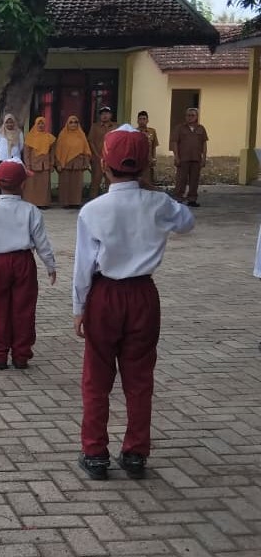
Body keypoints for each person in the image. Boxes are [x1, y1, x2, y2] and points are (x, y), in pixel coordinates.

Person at [72, 125, 195, 481]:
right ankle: (136, 452)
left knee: (97, 378)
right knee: (140, 377)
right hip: (143, 295)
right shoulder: (159, 204)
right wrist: (153, 191)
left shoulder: (93, 210)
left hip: (104, 294)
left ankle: (95, 452)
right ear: (145, 166)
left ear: (103, 163)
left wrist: (79, 309)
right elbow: (187, 222)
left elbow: (83, 267)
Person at [0, 160, 57, 371]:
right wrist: (50, 266)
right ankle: (21, 354)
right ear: (23, 184)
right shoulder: (31, 211)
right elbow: (42, 243)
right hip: (23, 262)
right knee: (24, 309)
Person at [170, 107, 208, 207]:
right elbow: (174, 142)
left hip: (196, 158)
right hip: (183, 158)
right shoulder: (179, 128)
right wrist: (176, 156)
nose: (190, 117)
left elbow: (204, 143)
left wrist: (204, 158)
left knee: (194, 180)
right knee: (181, 179)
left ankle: (192, 199)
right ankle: (178, 198)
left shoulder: (201, 128)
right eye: (188, 115)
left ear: (196, 117)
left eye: (192, 115)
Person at [55, 116, 92, 209]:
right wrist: (58, 163)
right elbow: (58, 151)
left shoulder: (81, 135)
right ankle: (65, 202)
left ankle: (76, 202)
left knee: (77, 183)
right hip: (65, 163)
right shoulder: (62, 135)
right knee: (65, 183)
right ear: (67, 124)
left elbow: (86, 150)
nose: (73, 124)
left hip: (78, 163)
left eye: (75, 122)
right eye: (71, 122)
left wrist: (86, 162)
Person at [23, 116, 56, 208]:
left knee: (44, 185)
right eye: (39, 123)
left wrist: (52, 164)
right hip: (33, 165)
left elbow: (52, 153)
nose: (41, 125)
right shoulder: (30, 137)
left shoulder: (50, 138)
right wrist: (28, 165)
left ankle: (43, 203)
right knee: (32, 185)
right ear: (35, 124)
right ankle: (32, 203)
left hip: (45, 165)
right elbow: (26, 153)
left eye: (42, 123)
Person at [87, 106, 116, 199]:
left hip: (111, 159)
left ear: (111, 115)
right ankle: (93, 202)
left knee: (110, 182)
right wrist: (97, 155)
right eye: (102, 114)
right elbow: (91, 141)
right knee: (95, 181)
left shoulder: (116, 126)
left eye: (107, 113)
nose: (105, 115)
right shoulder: (95, 127)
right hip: (98, 158)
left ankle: (110, 201)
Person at [136, 111, 159, 188]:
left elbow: (154, 146)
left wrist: (154, 158)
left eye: (144, 119)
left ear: (147, 120)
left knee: (148, 183)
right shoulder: (133, 132)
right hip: (137, 161)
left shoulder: (152, 131)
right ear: (137, 121)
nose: (142, 121)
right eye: (140, 119)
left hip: (148, 161)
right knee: (137, 183)